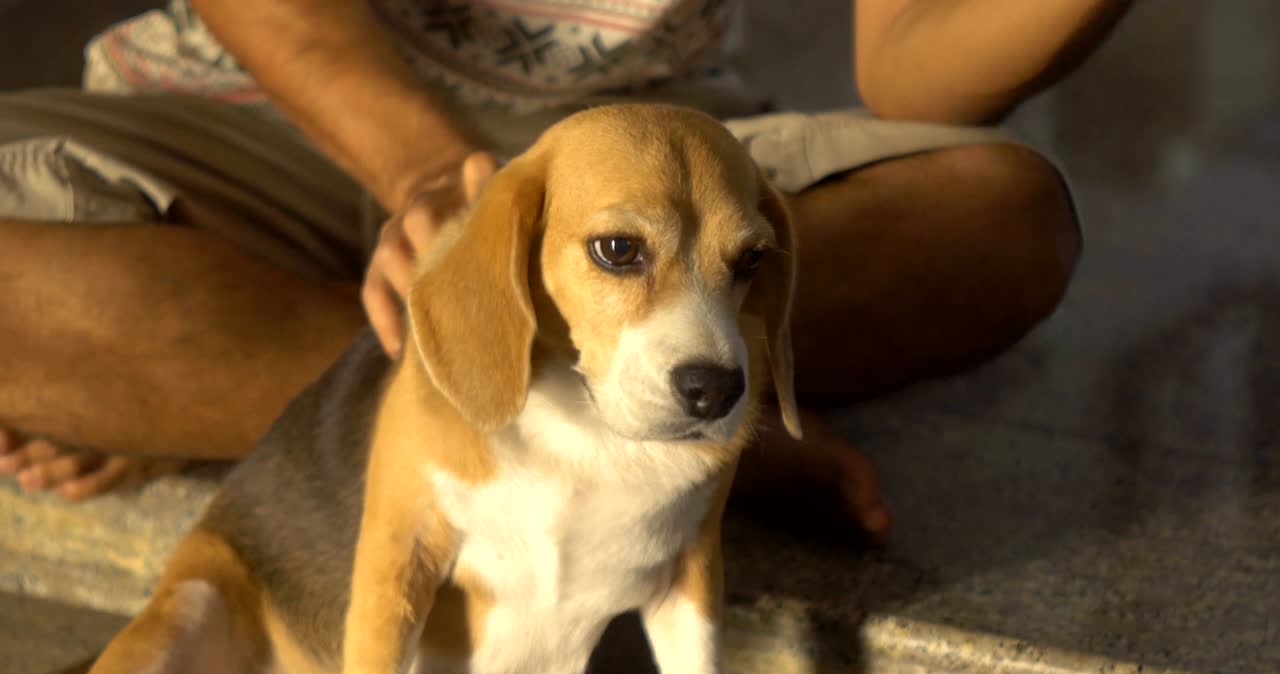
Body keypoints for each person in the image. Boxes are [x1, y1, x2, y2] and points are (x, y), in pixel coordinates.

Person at [0, 0, 1132, 541]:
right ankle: (660, 447)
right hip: (258, 123)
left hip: (644, 157)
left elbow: (911, 76)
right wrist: (440, 179)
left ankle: (223, 387)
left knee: (999, 214)